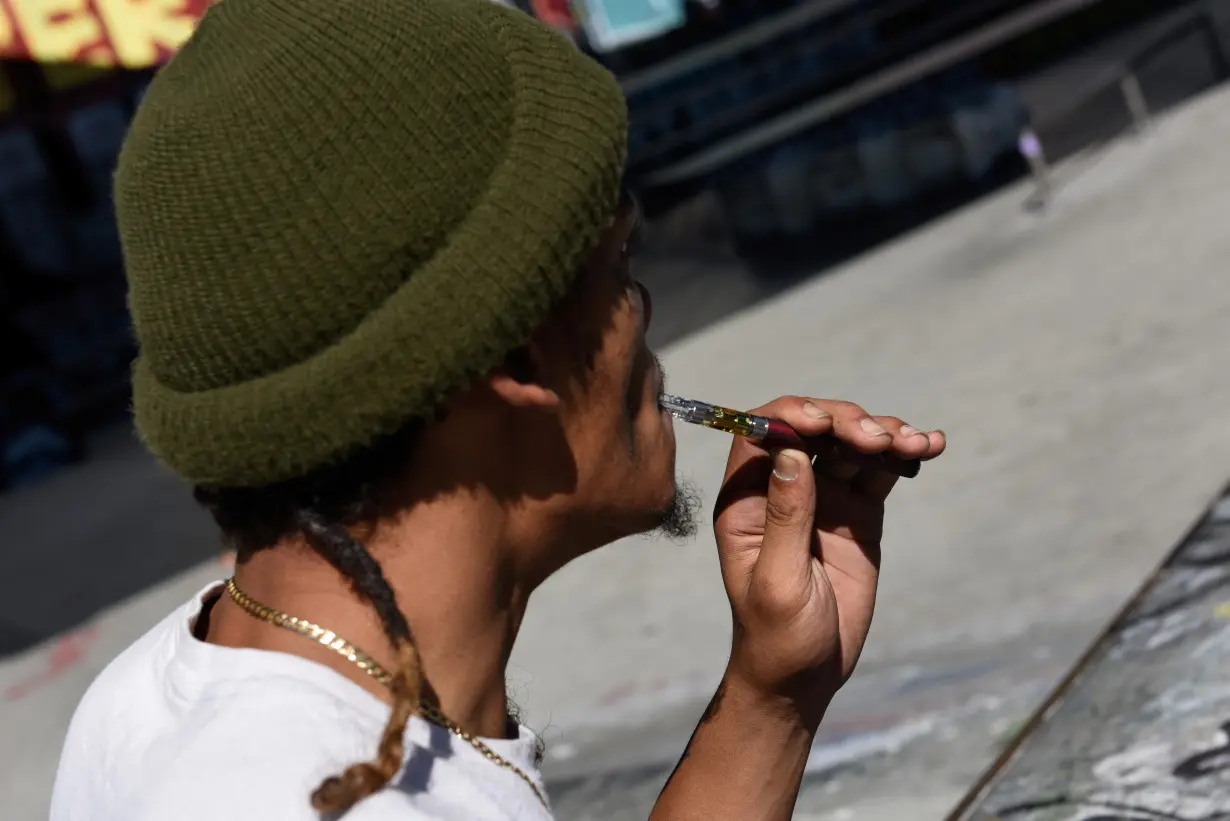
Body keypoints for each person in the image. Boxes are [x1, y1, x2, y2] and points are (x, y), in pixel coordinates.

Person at [49, 0, 946, 818]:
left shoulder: (178, 686)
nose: (641, 314)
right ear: (518, 351)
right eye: (620, 266)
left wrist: (772, 694)